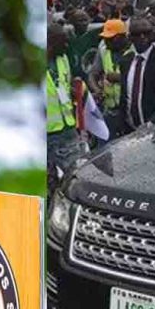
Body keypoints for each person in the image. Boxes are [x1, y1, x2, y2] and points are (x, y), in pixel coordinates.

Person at [46, 23, 85, 191]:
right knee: (48, 185)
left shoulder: (63, 60)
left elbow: (68, 87)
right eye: (63, 41)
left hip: (66, 131)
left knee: (81, 176)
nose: (67, 45)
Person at [88, 19, 133, 117]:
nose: (106, 42)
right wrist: (97, 90)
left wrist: (120, 78)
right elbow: (93, 74)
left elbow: (144, 78)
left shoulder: (134, 51)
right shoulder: (104, 51)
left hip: (131, 108)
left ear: (123, 37)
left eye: (111, 39)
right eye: (105, 38)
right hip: (111, 110)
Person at [65, 9, 98, 76]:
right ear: (73, 22)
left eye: (85, 20)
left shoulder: (94, 36)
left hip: (89, 74)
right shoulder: (68, 38)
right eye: (80, 21)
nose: (84, 23)